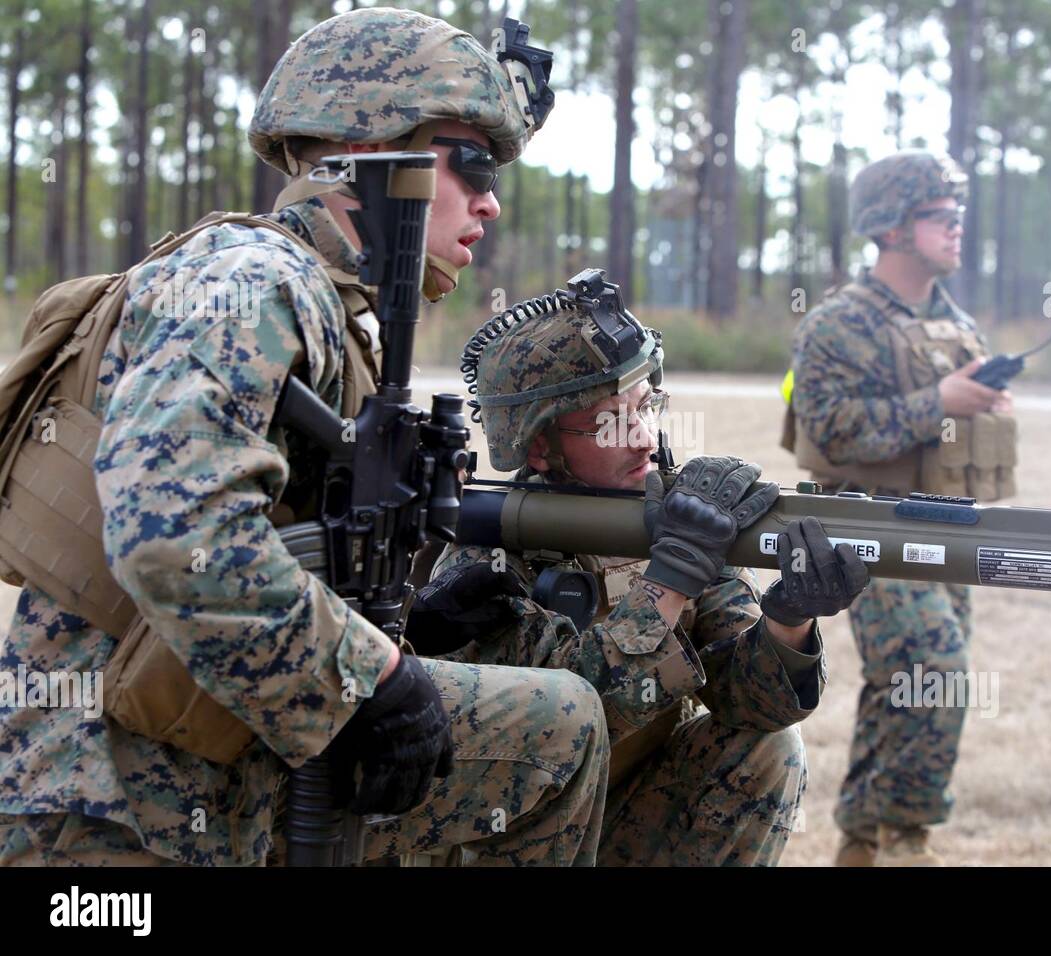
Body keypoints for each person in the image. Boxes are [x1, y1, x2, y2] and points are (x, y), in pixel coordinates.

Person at [0, 8, 608, 867]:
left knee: (554, 724)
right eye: (468, 160)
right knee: (564, 728)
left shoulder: (321, 301)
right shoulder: (258, 281)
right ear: (366, 152)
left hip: (199, 768)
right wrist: (372, 680)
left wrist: (410, 629)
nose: (491, 199)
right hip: (111, 814)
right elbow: (175, 528)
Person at [415, 282, 869, 866]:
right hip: (514, 836)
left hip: (621, 816)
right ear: (538, 446)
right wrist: (672, 580)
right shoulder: (489, 562)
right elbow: (566, 724)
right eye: (608, 422)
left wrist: (787, 620)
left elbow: (749, 706)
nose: (643, 436)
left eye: (647, 405)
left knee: (770, 749)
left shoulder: (670, 518)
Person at [786, 150, 1017, 866]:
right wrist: (936, 404)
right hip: (873, 529)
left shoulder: (957, 324)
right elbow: (825, 427)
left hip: (949, 529)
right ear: (889, 228)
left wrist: (982, 405)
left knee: (904, 688)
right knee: (935, 672)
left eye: (958, 215)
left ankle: (860, 843)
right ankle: (906, 842)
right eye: (939, 216)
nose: (956, 229)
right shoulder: (837, 324)